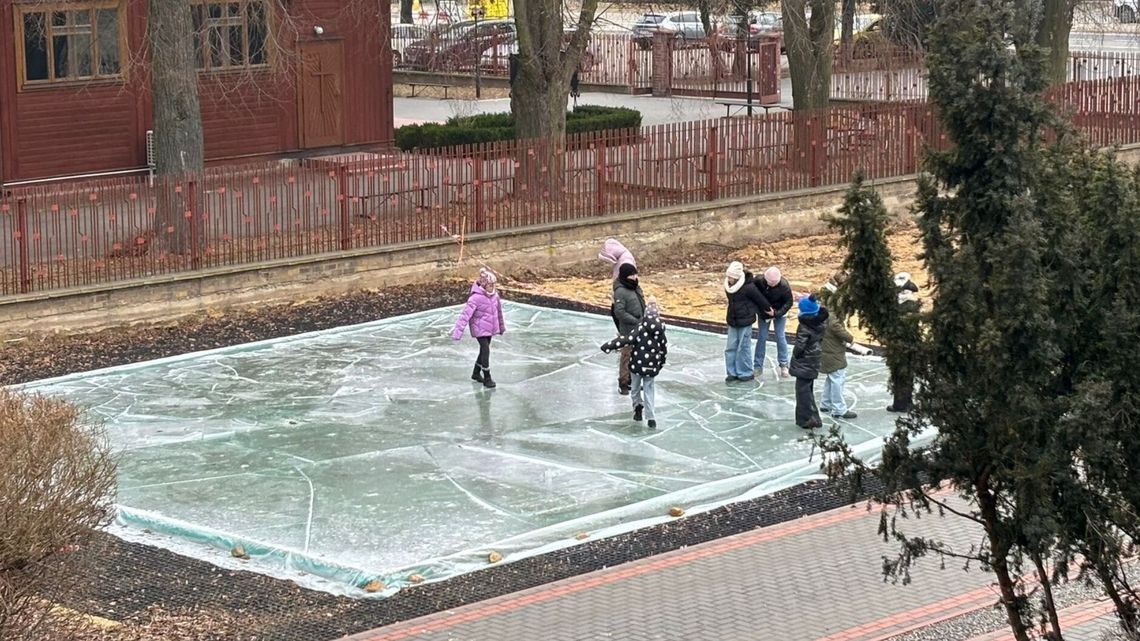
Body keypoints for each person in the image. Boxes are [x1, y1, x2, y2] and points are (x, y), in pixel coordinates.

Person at [601, 296, 668, 429]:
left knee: (635, 388)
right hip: (651, 367)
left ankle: (637, 405)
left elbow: (626, 339)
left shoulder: (640, 328)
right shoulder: (660, 331)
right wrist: (660, 364)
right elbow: (663, 349)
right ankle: (651, 417)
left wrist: (609, 345)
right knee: (649, 389)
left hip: (636, 365)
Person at [451, 268, 506, 389]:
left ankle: (476, 373)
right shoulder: (475, 298)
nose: (492, 287)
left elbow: (499, 313)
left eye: (493, 285)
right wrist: (457, 332)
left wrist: (501, 327)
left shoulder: (495, 296)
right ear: (484, 285)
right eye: (490, 285)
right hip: (479, 328)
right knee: (485, 349)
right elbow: (465, 316)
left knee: (483, 351)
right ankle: (487, 377)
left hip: (490, 328)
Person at [724, 261, 771, 382]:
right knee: (730, 347)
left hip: (745, 320)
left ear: (737, 277)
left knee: (743, 347)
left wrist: (769, 310)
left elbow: (760, 299)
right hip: (733, 320)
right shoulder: (728, 287)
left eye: (731, 277)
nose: (729, 279)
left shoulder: (748, 287)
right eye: (728, 276)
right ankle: (732, 372)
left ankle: (745, 372)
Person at [789, 294, 827, 429]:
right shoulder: (820, 321)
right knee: (807, 389)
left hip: (805, 362)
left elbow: (800, 345)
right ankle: (813, 417)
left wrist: (796, 355)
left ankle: (807, 419)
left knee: (802, 391)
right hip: (814, 359)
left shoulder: (805, 326)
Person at [888, 272, 922, 412]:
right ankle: (904, 403)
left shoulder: (898, 307)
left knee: (900, 375)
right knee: (905, 375)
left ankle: (901, 403)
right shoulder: (911, 305)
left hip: (899, 345)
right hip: (907, 345)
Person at [611, 262, 646, 395]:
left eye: (635, 274)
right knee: (626, 356)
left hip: (639, 328)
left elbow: (642, 304)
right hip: (628, 330)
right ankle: (623, 383)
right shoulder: (620, 291)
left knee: (636, 356)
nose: (635, 277)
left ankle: (633, 381)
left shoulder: (636, 287)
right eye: (632, 275)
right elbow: (619, 312)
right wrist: (635, 320)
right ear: (626, 276)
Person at [755, 266, 793, 379]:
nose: (772, 285)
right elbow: (754, 296)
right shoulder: (758, 281)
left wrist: (776, 313)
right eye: (770, 283)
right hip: (764, 312)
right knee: (761, 337)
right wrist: (763, 311)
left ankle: (784, 364)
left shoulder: (784, 286)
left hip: (779, 312)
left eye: (774, 283)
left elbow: (788, 303)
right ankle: (757, 365)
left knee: (780, 336)